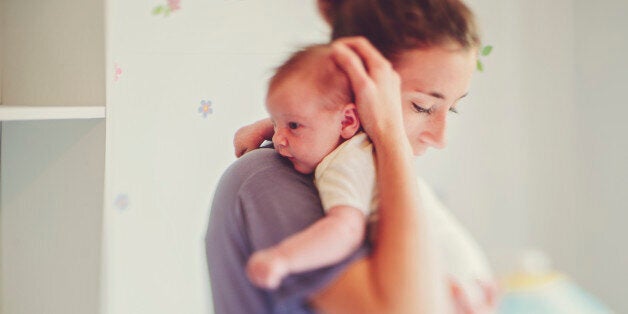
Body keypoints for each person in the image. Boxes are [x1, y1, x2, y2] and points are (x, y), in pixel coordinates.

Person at [206, 0, 497, 313]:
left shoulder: (366, 169)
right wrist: (390, 135)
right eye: (423, 106)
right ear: (357, 83)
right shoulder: (272, 178)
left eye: (450, 108)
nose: (440, 138)